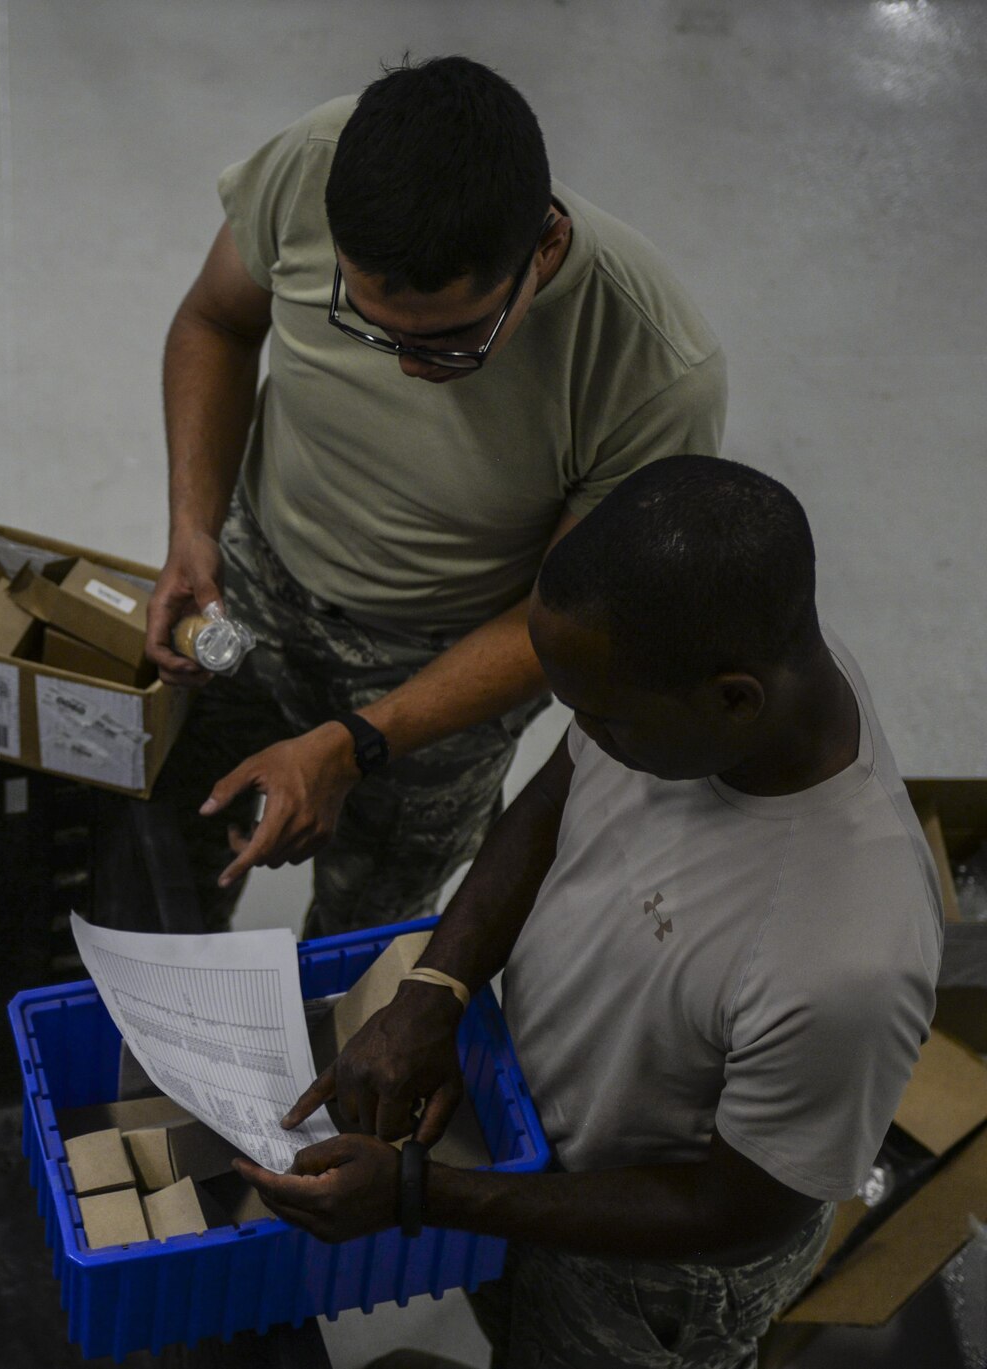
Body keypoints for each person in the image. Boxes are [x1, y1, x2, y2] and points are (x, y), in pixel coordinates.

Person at [235, 457, 941, 1369]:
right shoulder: (693, 685)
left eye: (603, 719)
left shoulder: (847, 956)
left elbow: (737, 1211)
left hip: (647, 1270)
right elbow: (551, 800)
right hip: (527, 1145)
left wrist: (425, 1193)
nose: (586, 733)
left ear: (736, 698)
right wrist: (434, 991)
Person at [148, 55, 726, 937]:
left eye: (453, 340)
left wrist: (363, 740)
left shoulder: (648, 370)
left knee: (368, 920)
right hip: (256, 577)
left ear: (546, 249)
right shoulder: (312, 164)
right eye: (368, 324)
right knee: (179, 839)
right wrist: (194, 529)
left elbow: (566, 615)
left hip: (444, 665)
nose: (409, 368)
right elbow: (216, 322)